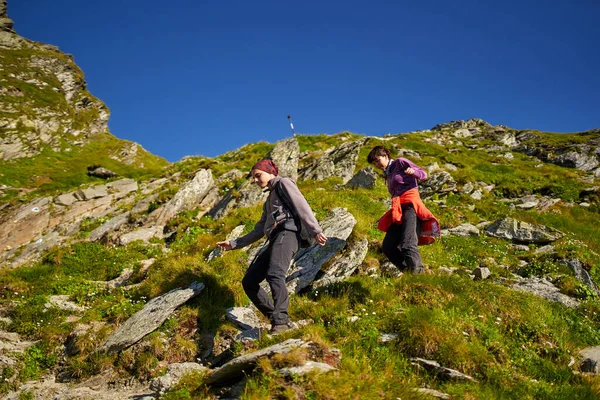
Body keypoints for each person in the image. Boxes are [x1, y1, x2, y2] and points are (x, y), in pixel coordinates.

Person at [216, 159, 327, 334]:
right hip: (276, 239)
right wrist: (233, 244)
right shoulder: (269, 200)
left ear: (270, 172)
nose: (255, 180)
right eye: (253, 178)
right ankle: (278, 317)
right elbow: (259, 229)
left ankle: (281, 322)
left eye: (258, 175)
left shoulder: (284, 183)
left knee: (275, 274)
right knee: (249, 282)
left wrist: (315, 230)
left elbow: (301, 205)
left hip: (288, 233)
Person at [368, 145, 438, 274]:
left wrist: (414, 172)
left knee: (408, 243)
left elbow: (423, 174)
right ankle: (408, 272)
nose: (376, 164)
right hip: (398, 210)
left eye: (377, 160)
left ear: (385, 155)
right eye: (374, 163)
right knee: (388, 247)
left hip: (411, 205)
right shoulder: (387, 174)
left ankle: (418, 275)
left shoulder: (400, 162)